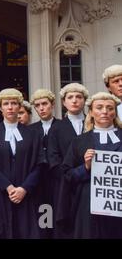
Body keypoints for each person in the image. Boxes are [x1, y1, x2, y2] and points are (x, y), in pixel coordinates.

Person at [0, 88, 46, 238]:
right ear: (0, 108)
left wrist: (24, 188)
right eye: (6, 104)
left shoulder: (33, 134)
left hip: (27, 195)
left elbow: (40, 164)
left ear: (20, 107)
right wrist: (8, 188)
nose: (10, 107)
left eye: (14, 103)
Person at [61, 92, 122, 238]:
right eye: (99, 107)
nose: (105, 112)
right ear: (91, 112)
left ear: (115, 112)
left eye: (109, 108)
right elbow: (67, 175)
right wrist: (86, 167)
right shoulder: (79, 141)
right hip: (88, 204)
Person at [47, 82, 88, 238]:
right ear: (64, 102)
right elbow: (53, 156)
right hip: (64, 185)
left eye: (78, 97)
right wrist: (68, 176)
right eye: (70, 97)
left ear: (84, 100)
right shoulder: (56, 127)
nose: (74, 100)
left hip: (89, 183)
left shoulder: (92, 124)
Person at [28, 88, 57, 238]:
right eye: (37, 105)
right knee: (41, 220)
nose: (41, 108)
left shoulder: (62, 126)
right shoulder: (30, 130)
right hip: (38, 183)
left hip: (57, 181)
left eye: (44, 104)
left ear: (52, 105)